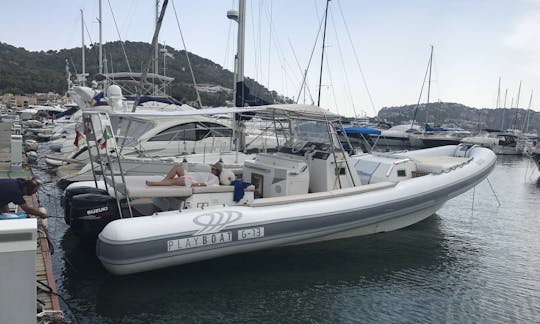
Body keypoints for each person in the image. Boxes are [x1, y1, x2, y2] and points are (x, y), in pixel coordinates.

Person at [146, 163, 223, 187]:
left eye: (214, 169)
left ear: (218, 171)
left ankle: (154, 184)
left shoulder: (215, 179)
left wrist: (194, 184)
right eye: (212, 168)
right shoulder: (210, 173)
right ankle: (163, 182)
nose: (212, 170)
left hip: (191, 181)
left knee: (173, 181)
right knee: (177, 167)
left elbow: (205, 184)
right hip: (189, 176)